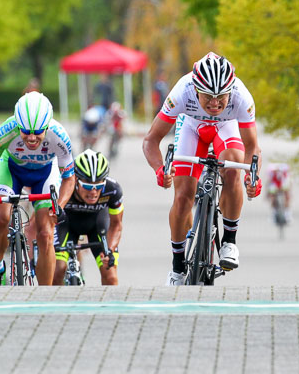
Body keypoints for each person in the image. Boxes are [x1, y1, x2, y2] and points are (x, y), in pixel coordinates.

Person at [142, 52, 262, 286]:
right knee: (184, 195)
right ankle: (177, 267)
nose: (215, 103)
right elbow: (151, 140)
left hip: (225, 130)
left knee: (232, 167)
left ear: (231, 92)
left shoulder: (241, 96)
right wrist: (159, 169)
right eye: (208, 96)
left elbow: (251, 146)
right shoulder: (181, 92)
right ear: (196, 89)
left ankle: (229, 240)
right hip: (191, 128)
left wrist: (251, 177)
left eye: (221, 97)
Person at [0, 91, 75, 285]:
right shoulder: (6, 131)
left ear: (47, 126)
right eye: (25, 131)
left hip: (44, 174)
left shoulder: (59, 136)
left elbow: (69, 179)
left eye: (38, 132)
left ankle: (46, 295)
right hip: (12, 170)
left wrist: (59, 206)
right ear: (18, 125)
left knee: (46, 232)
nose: (31, 137)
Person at [53, 150, 122, 285]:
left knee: (111, 276)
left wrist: (111, 250)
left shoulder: (113, 189)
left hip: (97, 226)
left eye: (98, 186)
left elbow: (117, 225)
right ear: (76, 181)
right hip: (66, 226)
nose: (93, 192)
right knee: (58, 270)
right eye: (87, 186)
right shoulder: (63, 187)